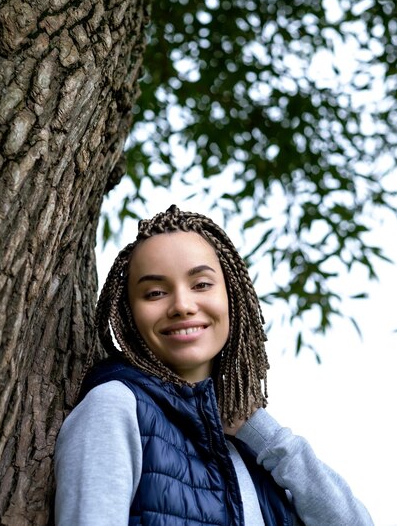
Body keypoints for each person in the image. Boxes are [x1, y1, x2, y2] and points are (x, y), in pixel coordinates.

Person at [54, 205, 374, 526]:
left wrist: (265, 434)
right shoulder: (115, 406)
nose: (182, 305)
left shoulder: (254, 450)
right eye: (155, 292)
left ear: (232, 296)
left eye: (202, 284)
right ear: (129, 313)